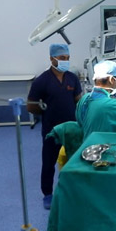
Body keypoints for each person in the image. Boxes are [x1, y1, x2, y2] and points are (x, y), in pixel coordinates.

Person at [28, 43, 82, 210]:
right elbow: (31, 106)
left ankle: (74, 191)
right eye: (62, 58)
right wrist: (44, 110)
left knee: (74, 161)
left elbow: (79, 101)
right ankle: (47, 194)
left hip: (71, 128)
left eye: (67, 58)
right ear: (52, 59)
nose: (65, 60)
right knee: (48, 163)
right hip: (51, 130)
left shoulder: (72, 78)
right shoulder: (41, 81)